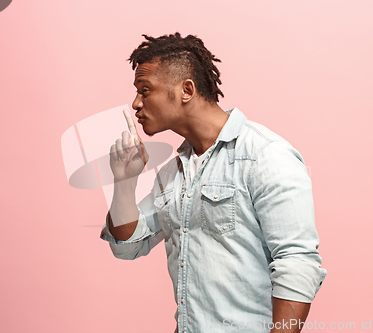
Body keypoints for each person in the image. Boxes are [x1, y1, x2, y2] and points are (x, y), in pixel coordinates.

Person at [100, 32, 327, 333]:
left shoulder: (264, 155)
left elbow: (298, 263)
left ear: (187, 90)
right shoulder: (173, 173)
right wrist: (125, 183)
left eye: (145, 90)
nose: (135, 103)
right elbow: (128, 245)